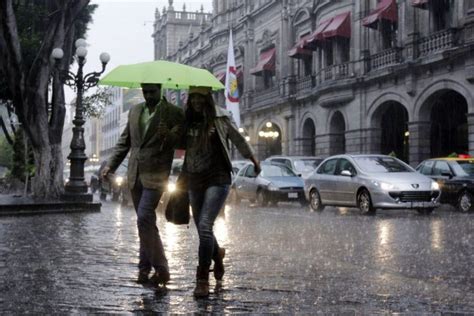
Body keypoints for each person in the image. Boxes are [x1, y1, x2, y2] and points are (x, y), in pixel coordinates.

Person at [101, 83, 184, 287]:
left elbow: (182, 142)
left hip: (156, 175)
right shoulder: (135, 110)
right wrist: (110, 165)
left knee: (144, 217)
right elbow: (125, 142)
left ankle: (161, 268)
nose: (148, 95)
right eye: (145, 92)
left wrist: (168, 135)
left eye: (152, 92)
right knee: (145, 222)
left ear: (160, 89)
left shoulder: (174, 112)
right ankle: (143, 269)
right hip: (135, 174)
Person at [182, 86, 261, 297]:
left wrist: (253, 159)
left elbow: (238, 139)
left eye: (201, 98)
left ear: (208, 98)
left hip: (218, 177)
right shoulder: (186, 119)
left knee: (206, 225)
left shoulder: (221, 117)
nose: (197, 102)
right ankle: (217, 254)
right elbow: (177, 143)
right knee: (201, 227)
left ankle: (201, 279)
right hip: (195, 177)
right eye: (193, 98)